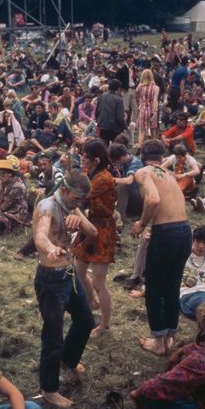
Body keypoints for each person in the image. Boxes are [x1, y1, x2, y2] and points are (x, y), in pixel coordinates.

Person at [33, 172, 97, 408]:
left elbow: (93, 233)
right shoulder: (47, 206)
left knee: (86, 320)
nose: (79, 203)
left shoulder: (73, 206)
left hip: (69, 275)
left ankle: (68, 360)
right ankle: (49, 389)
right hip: (50, 278)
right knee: (53, 336)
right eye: (77, 198)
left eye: (82, 200)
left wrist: (79, 218)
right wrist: (50, 248)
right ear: (64, 190)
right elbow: (40, 235)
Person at [131, 140, 191, 356]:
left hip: (166, 233)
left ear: (142, 156)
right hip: (185, 231)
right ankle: (168, 338)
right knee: (172, 287)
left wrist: (142, 223)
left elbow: (154, 200)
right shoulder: (169, 174)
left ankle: (158, 342)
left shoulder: (144, 172)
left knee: (154, 288)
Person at [73, 140, 116, 335]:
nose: (81, 159)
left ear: (96, 160)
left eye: (85, 157)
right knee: (78, 269)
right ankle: (92, 301)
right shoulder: (92, 174)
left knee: (99, 281)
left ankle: (105, 325)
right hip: (89, 225)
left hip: (102, 230)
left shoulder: (103, 179)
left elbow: (80, 194)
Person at [108, 143, 143, 221]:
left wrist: (110, 179)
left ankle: (118, 218)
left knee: (123, 186)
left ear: (120, 158)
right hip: (132, 198)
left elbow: (128, 181)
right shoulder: (125, 162)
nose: (116, 163)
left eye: (116, 161)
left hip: (140, 200)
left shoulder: (135, 163)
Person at [95, 79, 127, 145]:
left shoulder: (101, 97)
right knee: (116, 149)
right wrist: (124, 127)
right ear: (118, 89)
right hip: (114, 128)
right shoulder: (119, 100)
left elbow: (96, 113)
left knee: (103, 148)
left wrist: (99, 122)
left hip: (102, 126)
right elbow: (119, 118)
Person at [135, 69, 160, 147]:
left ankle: (139, 145)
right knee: (153, 130)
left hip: (142, 109)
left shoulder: (140, 86)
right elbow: (155, 100)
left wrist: (139, 104)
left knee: (142, 130)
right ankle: (154, 147)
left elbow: (136, 96)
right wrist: (155, 111)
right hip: (151, 110)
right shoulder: (156, 87)